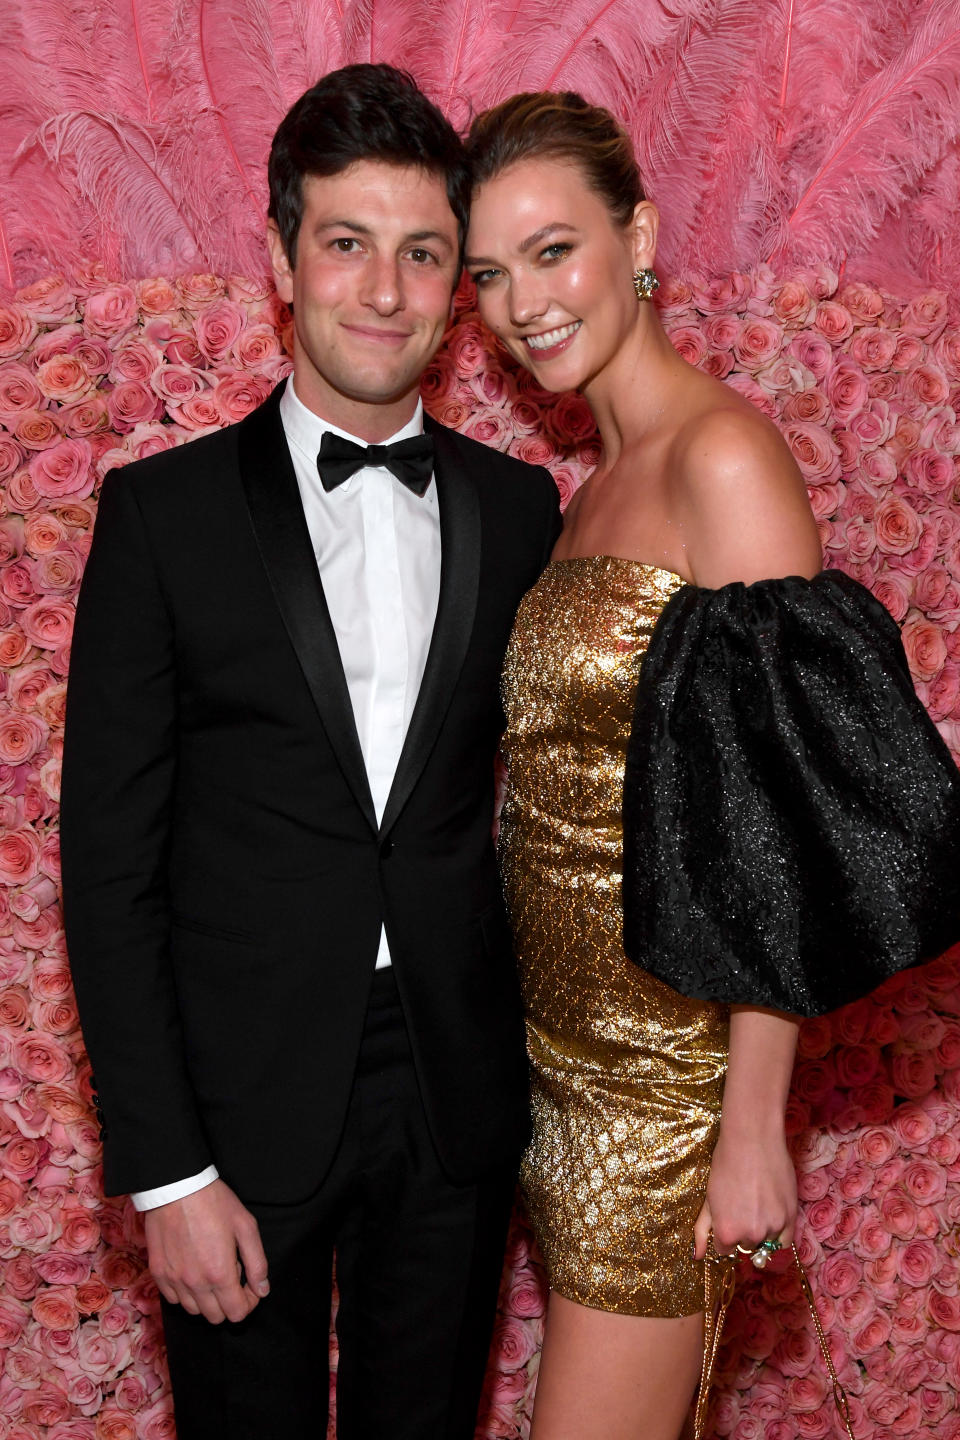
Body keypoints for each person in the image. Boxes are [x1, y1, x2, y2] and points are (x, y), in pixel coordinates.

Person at [60, 64, 561, 1440]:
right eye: (346, 245)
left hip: (455, 1099)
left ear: (459, 281)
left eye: (422, 255)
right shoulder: (160, 519)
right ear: (281, 262)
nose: (385, 292)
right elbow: (107, 869)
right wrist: (165, 1176)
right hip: (236, 1105)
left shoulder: (521, 512)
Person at [464, 91, 960, 1440]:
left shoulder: (725, 458)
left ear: (641, 235)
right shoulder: (593, 485)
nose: (521, 307)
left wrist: (752, 1126)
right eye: (490, 276)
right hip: (558, 1071)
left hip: (664, 1094)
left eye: (552, 251)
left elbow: (779, 819)